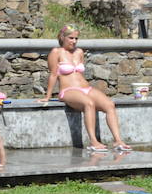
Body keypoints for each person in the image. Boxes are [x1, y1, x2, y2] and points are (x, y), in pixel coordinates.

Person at [40, 25, 131, 153]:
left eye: (76, 38)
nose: (74, 41)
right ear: (63, 37)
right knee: (89, 103)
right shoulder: (56, 52)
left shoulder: (79, 52)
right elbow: (53, 74)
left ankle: (118, 140)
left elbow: (80, 74)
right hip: (68, 90)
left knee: (109, 104)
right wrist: (48, 96)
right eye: (71, 38)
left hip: (85, 88)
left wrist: (86, 89)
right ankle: (93, 142)